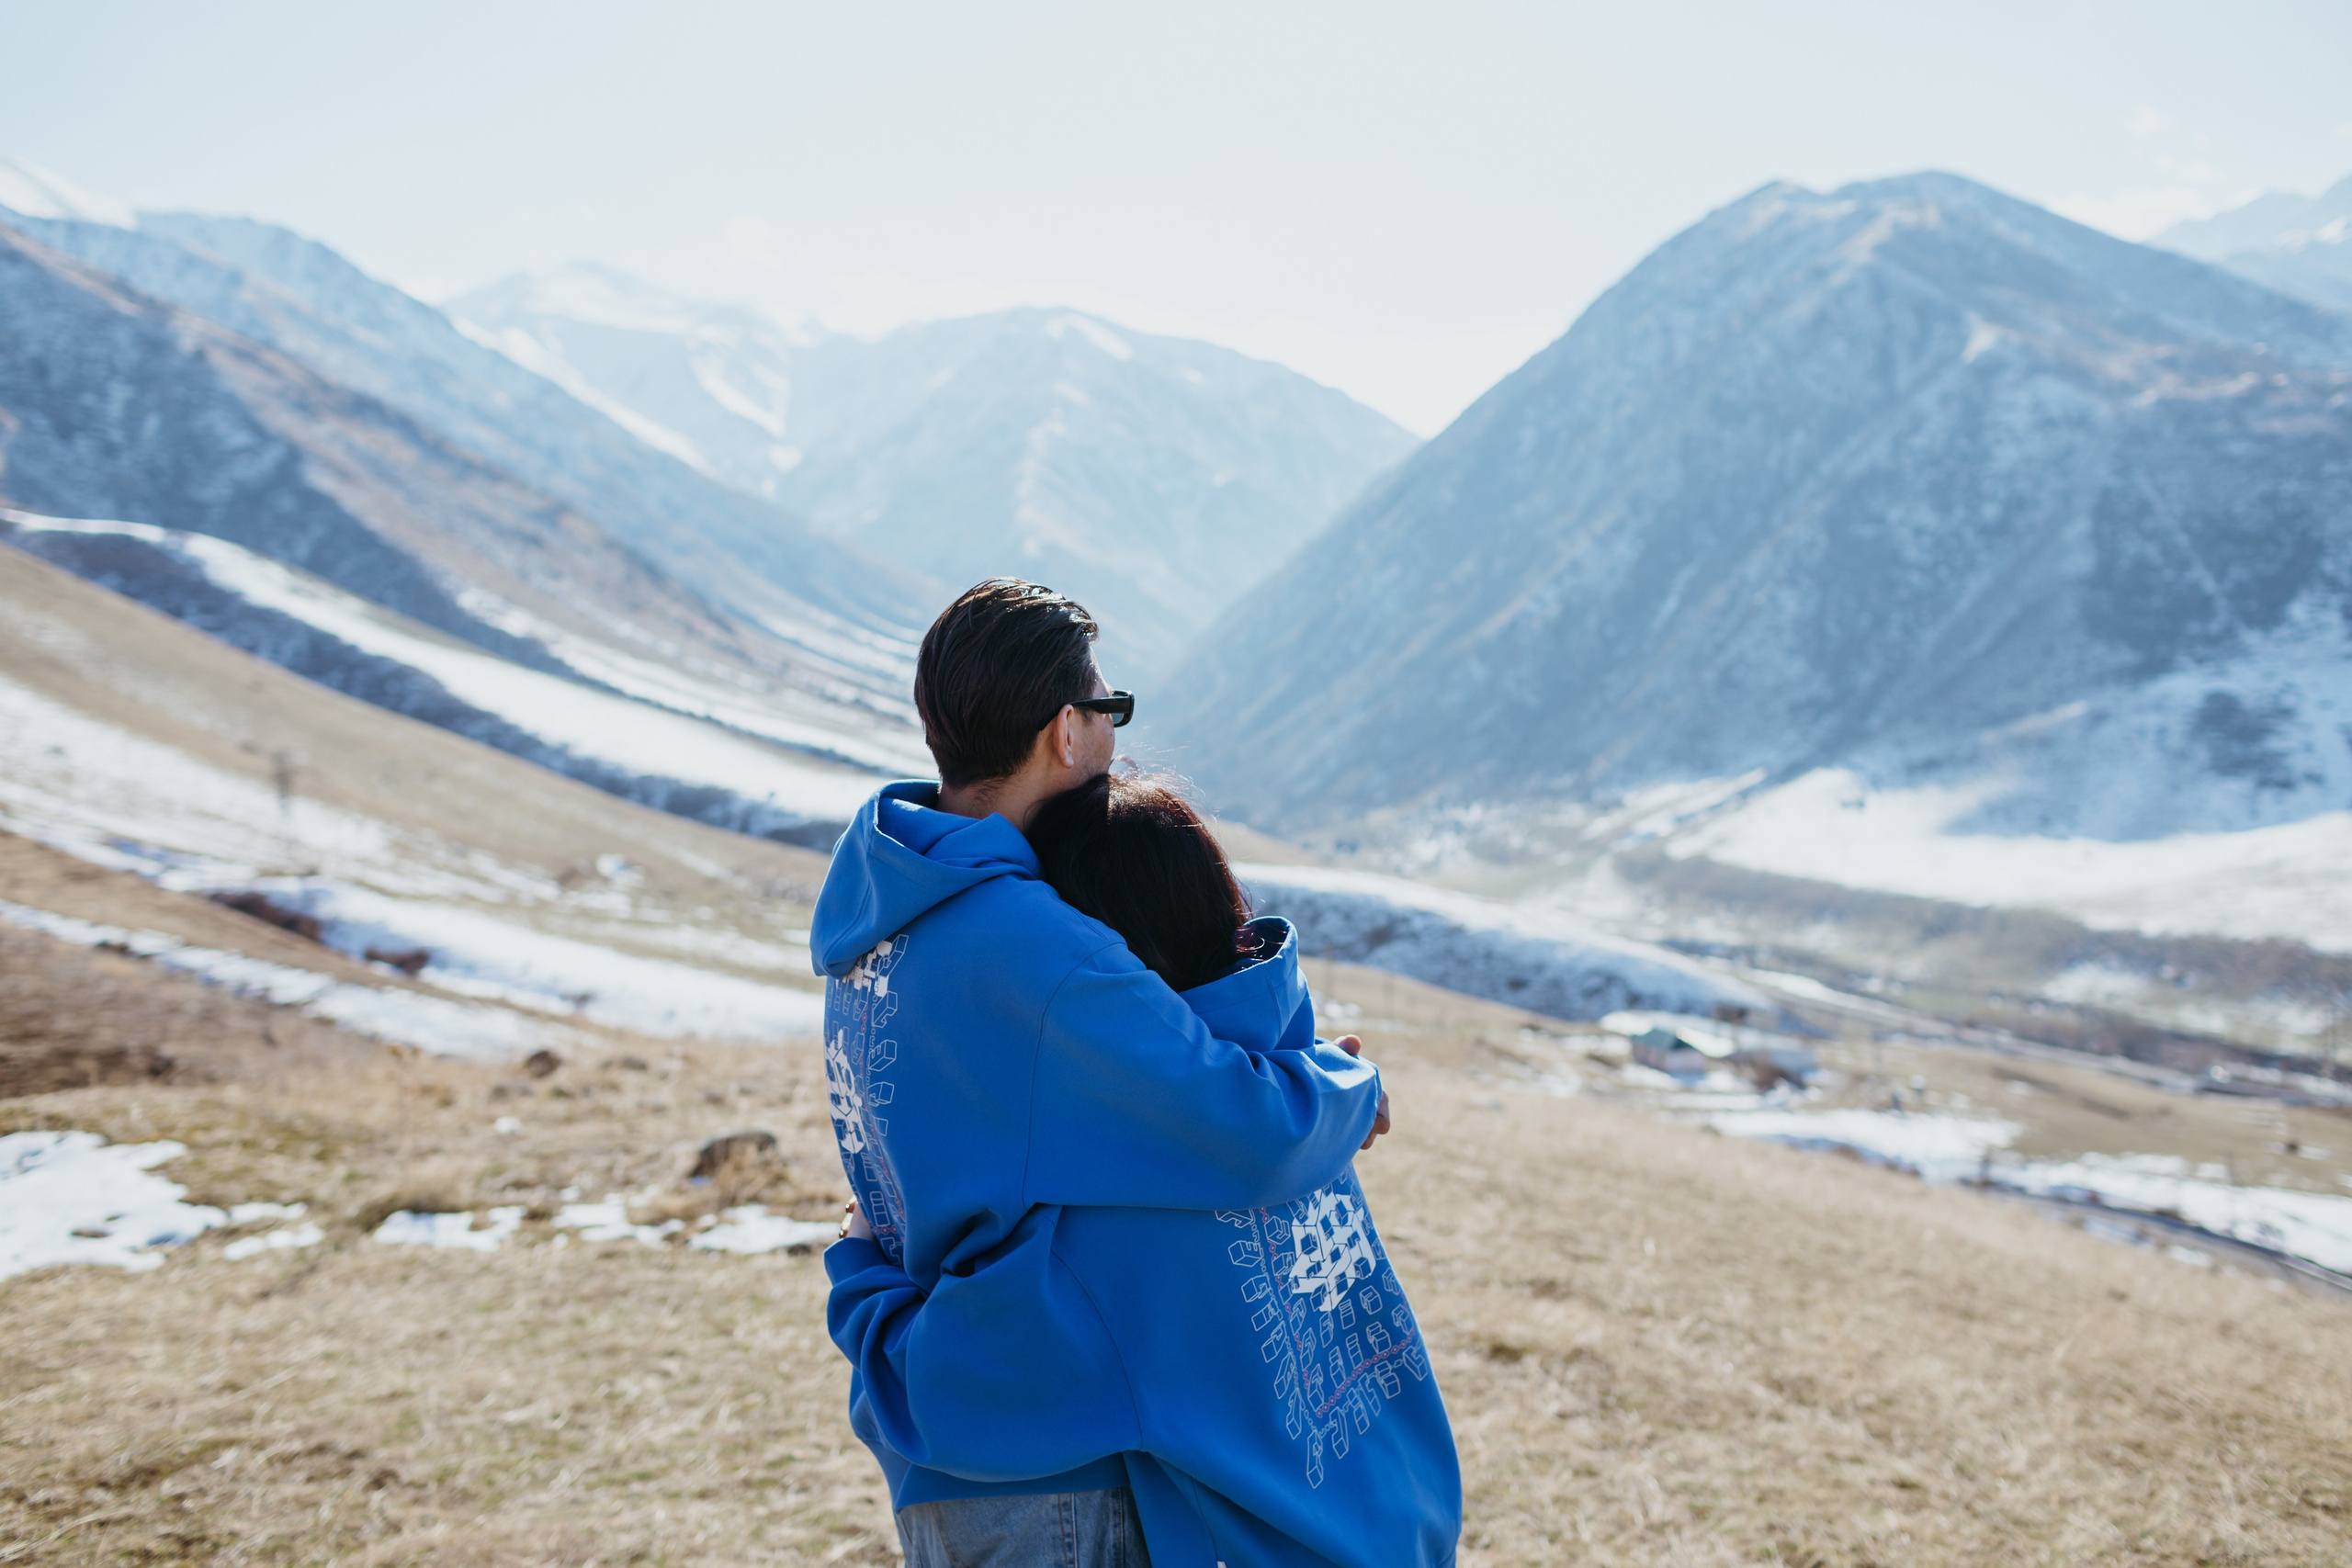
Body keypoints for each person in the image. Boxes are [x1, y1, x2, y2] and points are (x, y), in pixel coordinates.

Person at [811, 580, 1390, 1566]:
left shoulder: (882, 909)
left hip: (947, 1439)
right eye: (1108, 714)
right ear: (1063, 734)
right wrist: (1349, 1086)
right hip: (1052, 1467)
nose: (1114, 744)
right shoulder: (1034, 949)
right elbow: (1243, 1126)